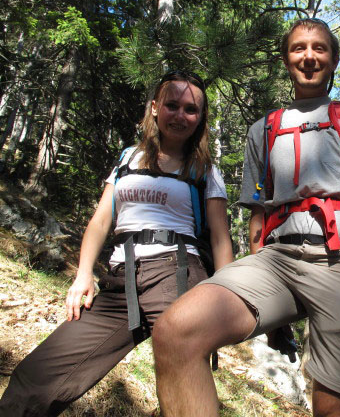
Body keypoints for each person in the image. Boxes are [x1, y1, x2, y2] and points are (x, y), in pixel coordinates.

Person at [152, 19, 340, 417]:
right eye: (299, 48)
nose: (309, 56)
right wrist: (255, 266)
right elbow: (260, 216)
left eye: (320, 48)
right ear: (286, 59)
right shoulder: (262, 129)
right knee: (175, 332)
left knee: (332, 409)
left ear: (333, 60)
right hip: (276, 261)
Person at [0, 70, 233, 416]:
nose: (180, 116)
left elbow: (219, 236)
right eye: (172, 105)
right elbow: (100, 221)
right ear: (154, 107)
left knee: (184, 394)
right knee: (36, 376)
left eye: (191, 109)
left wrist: (225, 298)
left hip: (178, 275)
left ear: (200, 118)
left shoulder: (205, 169)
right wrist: (82, 276)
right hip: (118, 281)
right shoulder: (128, 158)